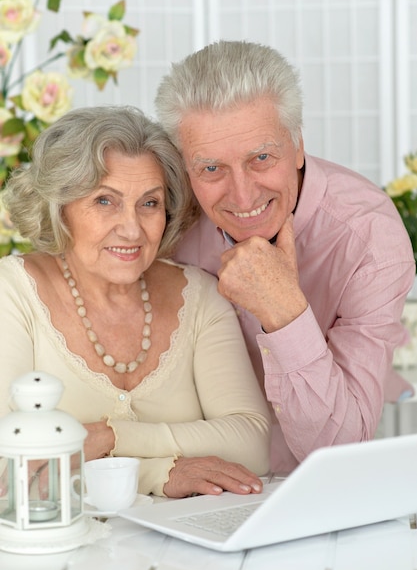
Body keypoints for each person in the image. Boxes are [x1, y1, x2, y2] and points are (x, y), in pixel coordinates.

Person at [154, 40, 416, 475]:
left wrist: (284, 312)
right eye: (211, 169)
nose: (242, 195)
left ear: (296, 145)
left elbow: (338, 451)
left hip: (309, 491)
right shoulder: (165, 217)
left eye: (261, 157)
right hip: (188, 484)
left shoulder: (369, 240)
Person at [0, 105, 271, 498]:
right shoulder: (14, 290)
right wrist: (159, 474)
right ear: (60, 209)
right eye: (105, 201)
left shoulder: (199, 296)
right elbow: (12, 468)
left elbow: (252, 444)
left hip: (189, 546)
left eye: (149, 203)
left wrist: (111, 437)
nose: (131, 230)